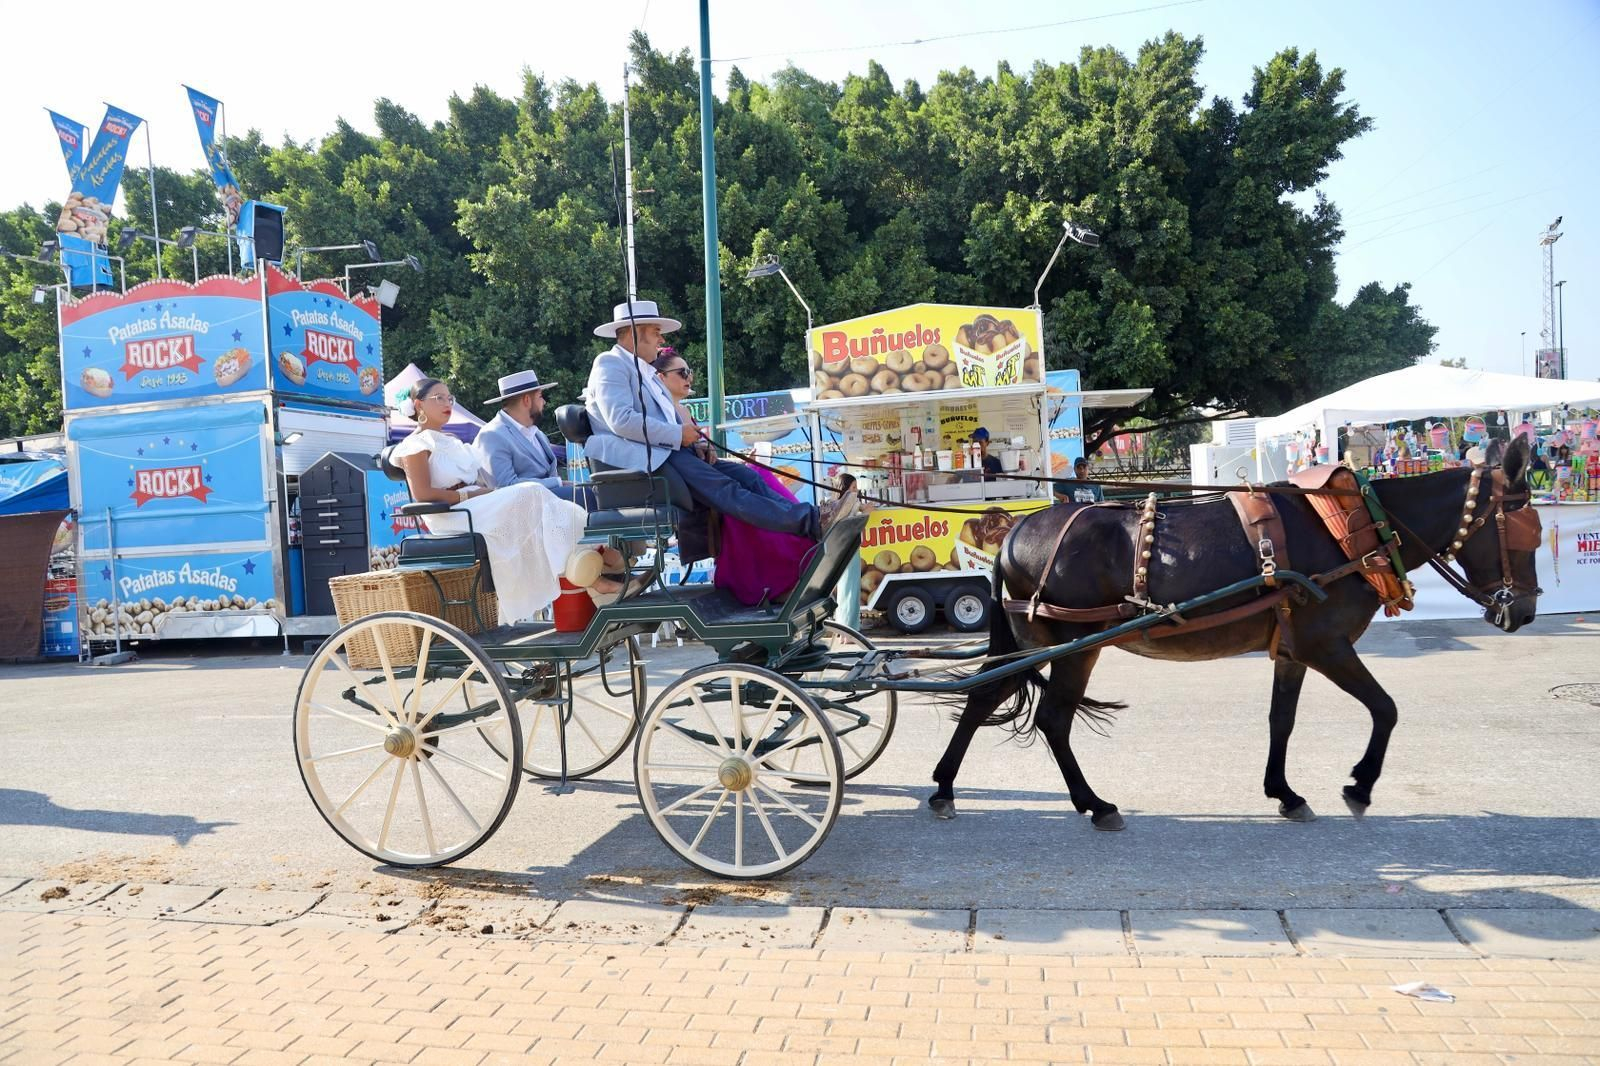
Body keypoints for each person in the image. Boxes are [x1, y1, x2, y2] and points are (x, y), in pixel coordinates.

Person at [582, 299, 854, 539]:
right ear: (633, 333)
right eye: (656, 333)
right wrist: (679, 436)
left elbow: (656, 420)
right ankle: (812, 522)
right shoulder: (609, 363)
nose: (661, 341)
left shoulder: (643, 370)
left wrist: (691, 442)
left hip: (670, 452)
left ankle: (813, 516)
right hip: (650, 462)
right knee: (727, 489)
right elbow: (621, 420)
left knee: (748, 477)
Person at [391, 377, 625, 622]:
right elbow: (422, 493)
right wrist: (465, 494)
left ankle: (594, 559)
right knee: (529, 493)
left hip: (474, 504)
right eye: (439, 398)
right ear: (418, 405)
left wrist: (477, 492)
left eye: (449, 398)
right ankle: (594, 573)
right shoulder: (415, 445)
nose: (447, 403)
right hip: (453, 515)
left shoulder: (451, 441)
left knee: (538, 496)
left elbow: (479, 480)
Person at [652, 349, 814, 605]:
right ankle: (801, 531)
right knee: (735, 492)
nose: (689, 378)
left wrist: (705, 447)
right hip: (685, 479)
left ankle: (804, 522)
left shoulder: (681, 410)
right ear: (661, 378)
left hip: (702, 469)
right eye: (682, 373)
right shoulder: (658, 413)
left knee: (755, 477)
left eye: (690, 372)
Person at [473, 369, 591, 505]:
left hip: (550, 507)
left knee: (593, 490)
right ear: (527, 400)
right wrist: (559, 482)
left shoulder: (538, 434)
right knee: (586, 495)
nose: (544, 402)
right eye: (540, 396)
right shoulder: (491, 436)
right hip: (520, 512)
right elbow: (505, 487)